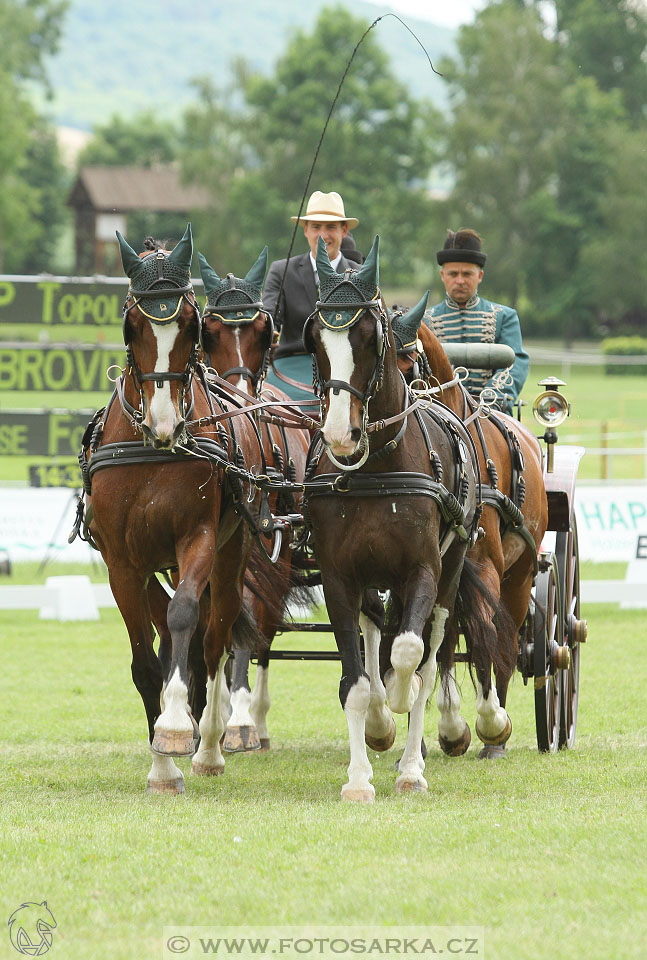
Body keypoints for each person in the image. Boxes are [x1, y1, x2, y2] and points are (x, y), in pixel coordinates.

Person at [262, 190, 361, 401]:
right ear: (306, 230)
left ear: (344, 231)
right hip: (290, 365)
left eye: (331, 227)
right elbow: (270, 319)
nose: (323, 235)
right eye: (316, 227)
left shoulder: (360, 277)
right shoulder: (282, 270)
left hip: (346, 371)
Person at [424, 228, 529, 410]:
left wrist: (490, 399)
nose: (460, 280)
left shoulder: (505, 316)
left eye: (467, 274)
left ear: (479, 276)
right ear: (443, 276)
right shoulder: (425, 321)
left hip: (492, 411)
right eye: (453, 274)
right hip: (440, 413)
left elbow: (515, 363)